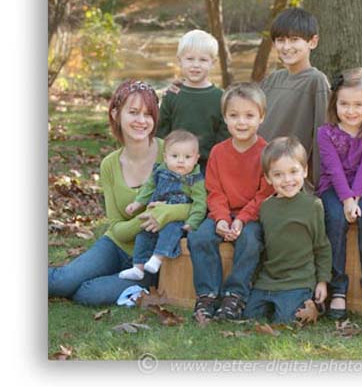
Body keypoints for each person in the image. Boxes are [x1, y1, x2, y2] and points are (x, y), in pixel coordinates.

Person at [48, 80, 194, 306]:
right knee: (64, 281)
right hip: (115, 245)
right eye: (133, 112)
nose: (141, 121)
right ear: (116, 114)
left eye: (148, 114)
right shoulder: (109, 164)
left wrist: (166, 213)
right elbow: (117, 227)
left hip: (154, 258)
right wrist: (146, 219)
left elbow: (197, 206)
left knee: (89, 294)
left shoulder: (172, 153)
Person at [187, 83, 274, 320]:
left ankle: (235, 296)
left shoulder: (266, 152)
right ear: (225, 118)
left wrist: (242, 221)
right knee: (199, 237)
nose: (241, 122)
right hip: (221, 213)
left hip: (251, 216)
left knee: (251, 241)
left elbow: (264, 194)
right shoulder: (218, 152)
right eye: (234, 115)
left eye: (249, 115)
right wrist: (222, 219)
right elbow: (214, 191)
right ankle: (207, 295)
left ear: (261, 117)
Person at [315, 68, 362, 319]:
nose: (351, 110)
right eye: (344, 103)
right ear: (335, 103)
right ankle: (338, 290)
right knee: (334, 218)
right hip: (333, 188)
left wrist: (355, 199)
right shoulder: (325, 133)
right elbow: (333, 169)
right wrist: (346, 200)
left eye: (358, 104)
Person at [243, 137, 332, 323]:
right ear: (268, 177)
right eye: (278, 175)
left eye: (293, 172)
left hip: (298, 280)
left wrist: (322, 281)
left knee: (286, 320)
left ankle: (312, 305)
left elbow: (321, 245)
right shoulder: (266, 207)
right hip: (269, 279)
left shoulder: (313, 205)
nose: (287, 180)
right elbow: (266, 247)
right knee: (250, 317)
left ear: (305, 171)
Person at [118, 130, 207, 280]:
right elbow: (148, 188)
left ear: (196, 158)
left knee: (170, 231)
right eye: (175, 156)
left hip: (176, 219)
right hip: (154, 213)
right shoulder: (160, 171)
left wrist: (193, 222)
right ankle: (138, 267)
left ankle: (157, 258)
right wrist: (138, 202)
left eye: (187, 157)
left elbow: (200, 202)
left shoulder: (195, 179)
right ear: (165, 157)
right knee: (143, 234)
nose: (180, 161)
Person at [258, 7, 330, 187]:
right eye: (280, 40)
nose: (286, 47)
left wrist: (317, 183)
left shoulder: (316, 81)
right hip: (261, 172)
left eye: (294, 39)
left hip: (291, 179)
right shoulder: (272, 80)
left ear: (312, 42)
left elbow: (322, 137)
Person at [156, 29, 229, 172]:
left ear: (212, 63)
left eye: (203, 60)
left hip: (208, 168)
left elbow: (224, 137)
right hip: (174, 167)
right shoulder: (172, 95)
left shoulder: (220, 98)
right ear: (180, 61)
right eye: (190, 59)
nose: (196, 65)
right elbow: (161, 132)